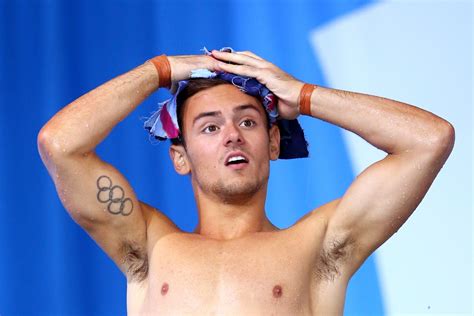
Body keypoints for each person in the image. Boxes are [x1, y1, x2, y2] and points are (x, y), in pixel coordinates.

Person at [37, 48, 455, 315]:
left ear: (273, 142)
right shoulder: (149, 247)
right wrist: (158, 70)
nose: (233, 134)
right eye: (209, 127)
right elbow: (60, 145)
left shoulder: (319, 246)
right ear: (180, 157)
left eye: (248, 121)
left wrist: (304, 95)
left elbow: (428, 140)